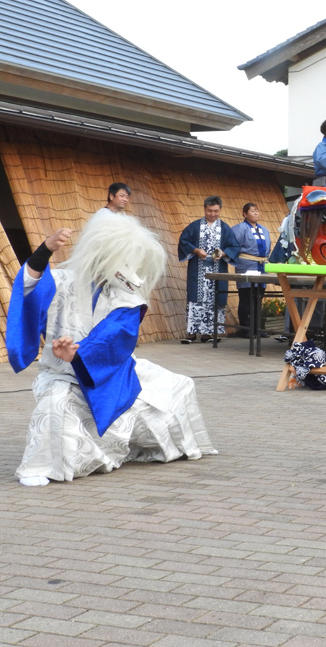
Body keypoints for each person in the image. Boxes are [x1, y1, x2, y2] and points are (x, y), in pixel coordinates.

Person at [5, 212, 216, 486]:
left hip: (111, 376)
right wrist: (44, 251)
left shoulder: (128, 297)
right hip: (61, 375)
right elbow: (29, 289)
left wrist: (77, 354)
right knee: (55, 407)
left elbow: (115, 339)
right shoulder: (63, 280)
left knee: (174, 392)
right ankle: (43, 465)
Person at [177, 196, 239, 343]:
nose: (213, 214)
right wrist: (196, 250)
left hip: (218, 271)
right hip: (197, 271)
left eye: (216, 211)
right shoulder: (194, 226)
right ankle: (191, 333)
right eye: (210, 211)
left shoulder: (224, 228)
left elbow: (234, 246)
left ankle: (209, 333)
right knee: (195, 300)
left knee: (215, 300)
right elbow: (183, 241)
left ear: (220, 210)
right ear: (205, 209)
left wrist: (223, 253)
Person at [231, 202, 272, 339]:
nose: (256, 213)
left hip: (261, 265)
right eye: (252, 211)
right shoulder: (239, 229)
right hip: (246, 265)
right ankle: (245, 329)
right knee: (246, 297)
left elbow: (269, 248)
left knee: (258, 297)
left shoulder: (264, 229)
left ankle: (258, 328)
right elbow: (233, 246)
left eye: (257, 211)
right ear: (244, 214)